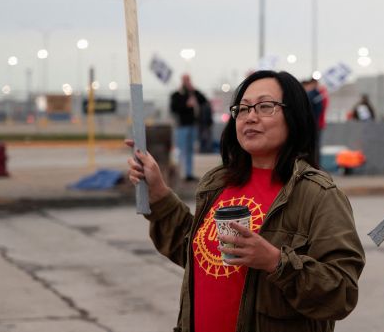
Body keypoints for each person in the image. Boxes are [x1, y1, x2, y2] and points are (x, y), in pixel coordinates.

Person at [128, 70, 365, 332]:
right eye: (242, 109)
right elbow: (194, 253)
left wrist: (275, 262)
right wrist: (159, 192)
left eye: (265, 107)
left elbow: (342, 293)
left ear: (293, 116)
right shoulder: (217, 183)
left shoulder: (318, 195)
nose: (250, 117)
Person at [170, 74, 207, 181]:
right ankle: (180, 173)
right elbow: (174, 108)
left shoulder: (193, 94)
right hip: (182, 126)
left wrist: (194, 90)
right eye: (185, 80)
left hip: (192, 125)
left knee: (190, 150)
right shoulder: (177, 94)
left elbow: (203, 100)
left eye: (188, 80)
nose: (187, 82)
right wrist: (186, 105)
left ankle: (188, 173)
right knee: (181, 150)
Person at [301, 78, 325, 165]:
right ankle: (314, 164)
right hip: (315, 124)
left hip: (314, 125)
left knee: (313, 146)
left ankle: (314, 164)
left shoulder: (313, 94)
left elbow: (316, 111)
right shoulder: (316, 94)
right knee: (314, 146)